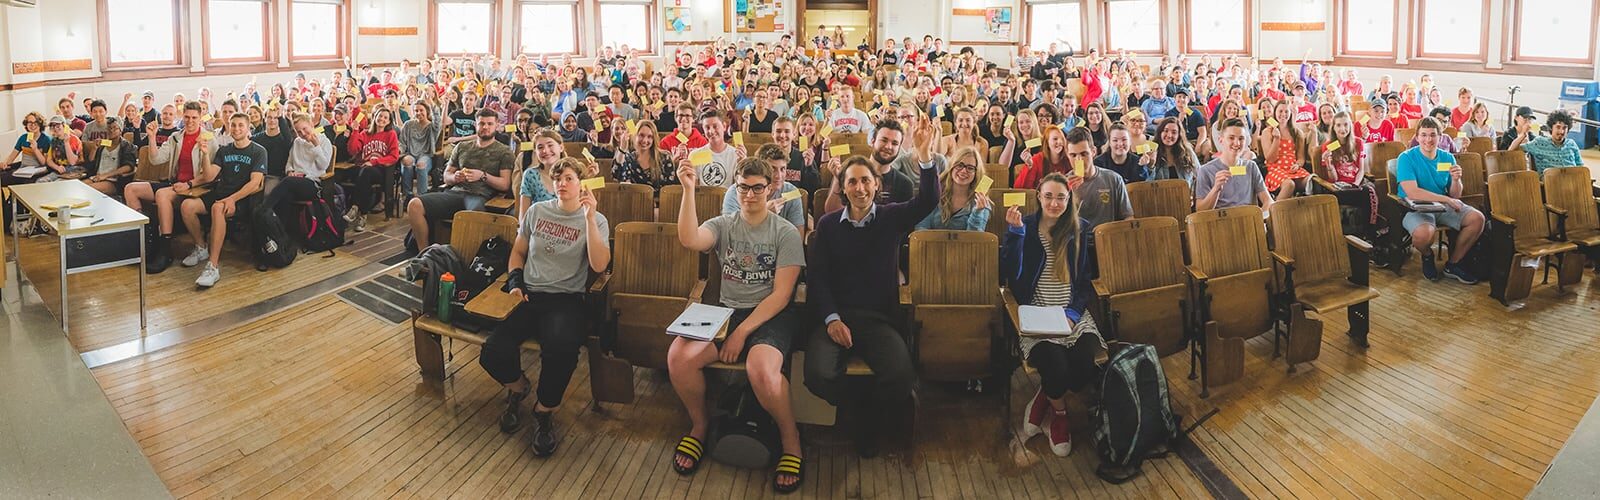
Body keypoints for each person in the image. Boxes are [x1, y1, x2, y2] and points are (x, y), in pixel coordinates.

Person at [668, 156, 807, 493]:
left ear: (770, 187)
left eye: (757, 188)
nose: (749, 195)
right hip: (728, 309)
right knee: (679, 357)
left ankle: (792, 443)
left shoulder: (785, 232)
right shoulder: (724, 223)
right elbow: (690, 239)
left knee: (762, 369)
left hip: (770, 314)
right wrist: (688, 190)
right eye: (743, 187)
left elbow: (782, 295)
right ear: (736, 186)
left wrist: (743, 331)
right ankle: (700, 426)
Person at [805, 116, 940, 458]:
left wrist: (925, 157)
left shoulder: (891, 218)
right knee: (817, 375)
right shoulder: (828, 225)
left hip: (878, 319)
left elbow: (927, 202)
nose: (860, 188)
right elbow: (818, 278)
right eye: (853, 182)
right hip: (837, 316)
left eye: (866, 181)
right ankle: (855, 407)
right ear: (843, 187)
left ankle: (865, 416)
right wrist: (832, 319)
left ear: (876, 186)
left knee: (900, 377)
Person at [483, 158, 610, 457]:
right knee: (493, 350)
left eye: (568, 178)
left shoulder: (596, 219)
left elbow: (599, 264)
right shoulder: (538, 211)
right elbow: (518, 250)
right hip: (531, 295)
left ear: (581, 184)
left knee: (561, 348)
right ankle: (518, 387)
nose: (562, 184)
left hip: (566, 298)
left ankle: (544, 410)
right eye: (558, 179)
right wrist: (515, 277)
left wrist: (590, 218)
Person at [1004, 172, 1104, 457]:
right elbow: (1013, 277)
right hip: (1038, 311)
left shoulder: (1079, 229)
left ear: (1068, 198)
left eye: (1061, 197)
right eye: (1048, 196)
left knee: (1083, 370)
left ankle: (1044, 396)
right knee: (1057, 368)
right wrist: (1015, 236)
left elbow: (1083, 281)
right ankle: (1059, 415)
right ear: (1039, 196)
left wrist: (1073, 313)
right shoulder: (1025, 226)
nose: (1054, 202)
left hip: (1070, 312)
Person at [176, 112, 267, 288]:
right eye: (233, 125)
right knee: (187, 206)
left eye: (241, 125)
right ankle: (201, 247)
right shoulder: (224, 150)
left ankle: (213, 267)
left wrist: (231, 199)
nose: (236, 128)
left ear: (248, 128)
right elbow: (209, 176)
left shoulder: (259, 151)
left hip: (241, 198)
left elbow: (255, 183)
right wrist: (204, 155)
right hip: (220, 193)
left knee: (218, 208)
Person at [406, 109, 514, 250]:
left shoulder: (504, 151)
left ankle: (465, 257)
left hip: (480, 196)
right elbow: (446, 175)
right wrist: (455, 177)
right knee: (414, 205)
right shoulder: (462, 147)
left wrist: (482, 175)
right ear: (476, 125)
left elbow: (505, 184)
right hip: (455, 193)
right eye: (481, 123)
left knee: (472, 217)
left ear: (496, 125)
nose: (485, 127)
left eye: (489, 124)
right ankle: (425, 253)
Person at [1395, 117, 1483, 284]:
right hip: (1416, 207)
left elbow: (1455, 195)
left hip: (1443, 205)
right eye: (1424, 135)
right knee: (1424, 234)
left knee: (1477, 219)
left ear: (1440, 137)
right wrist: (1446, 199)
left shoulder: (1447, 158)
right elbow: (1412, 192)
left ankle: (1453, 264)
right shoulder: (1406, 158)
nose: (1428, 140)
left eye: (1433, 135)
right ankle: (1427, 255)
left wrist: (1456, 180)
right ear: (1417, 137)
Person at [133, 103, 218, 274]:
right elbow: (156, 160)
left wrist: (189, 184)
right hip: (177, 184)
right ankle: (145, 241)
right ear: (182, 116)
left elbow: (211, 174)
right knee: (131, 189)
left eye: (194, 117)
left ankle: (165, 249)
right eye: (187, 117)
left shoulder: (208, 138)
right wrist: (151, 137)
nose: (190, 121)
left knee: (162, 195)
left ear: (200, 118)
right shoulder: (175, 137)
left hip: (198, 186)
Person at [258, 113, 335, 218]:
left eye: (304, 128)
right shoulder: (297, 142)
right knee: (285, 198)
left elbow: (323, 166)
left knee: (287, 182)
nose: (302, 133)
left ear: (311, 124)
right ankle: (280, 231)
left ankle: (263, 209)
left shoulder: (324, 141)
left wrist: (316, 146)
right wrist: (290, 171)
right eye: (299, 131)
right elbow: (290, 162)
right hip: (294, 181)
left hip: (313, 183)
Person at [719, 144, 806, 229]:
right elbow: (730, 232)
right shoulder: (735, 192)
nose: (778, 176)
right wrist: (762, 214)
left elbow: (798, 235)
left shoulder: (792, 191)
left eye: (782, 169)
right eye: (773, 169)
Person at [1195, 119, 1273, 211]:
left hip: (1248, 220)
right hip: (1221, 221)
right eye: (1231, 138)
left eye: (1241, 138)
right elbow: (1200, 210)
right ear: (1221, 140)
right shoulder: (1205, 171)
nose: (1237, 143)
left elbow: (1268, 201)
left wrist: (1260, 217)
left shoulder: (1251, 167)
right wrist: (1216, 189)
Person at [344, 108, 402, 232]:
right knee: (362, 174)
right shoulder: (365, 134)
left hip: (380, 170)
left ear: (389, 121)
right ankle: (362, 215)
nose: (382, 119)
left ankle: (355, 207)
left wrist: (374, 161)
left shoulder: (390, 134)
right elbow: (353, 150)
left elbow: (394, 156)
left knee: (366, 172)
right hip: (362, 169)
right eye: (380, 116)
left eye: (385, 117)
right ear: (375, 117)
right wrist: (355, 131)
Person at [1320, 111, 1377, 226]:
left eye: (1346, 125)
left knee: (1369, 191)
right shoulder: (1328, 146)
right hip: (1338, 188)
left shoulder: (1358, 142)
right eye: (1339, 125)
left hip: (1356, 185)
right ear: (1334, 128)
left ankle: (1370, 230)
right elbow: (1334, 179)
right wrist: (1329, 164)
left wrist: (1355, 185)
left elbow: (1361, 170)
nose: (1343, 129)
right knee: (1365, 195)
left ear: (1350, 126)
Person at [915, 145, 992, 231]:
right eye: (959, 165)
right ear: (951, 167)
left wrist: (977, 212)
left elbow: (974, 239)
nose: (963, 171)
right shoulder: (934, 192)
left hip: (965, 244)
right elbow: (920, 229)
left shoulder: (982, 203)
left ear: (976, 173)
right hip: (932, 243)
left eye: (970, 168)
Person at [686, 110, 744, 188]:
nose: (711, 131)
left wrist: (742, 164)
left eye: (715, 126)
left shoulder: (736, 154)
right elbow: (694, 189)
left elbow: (737, 188)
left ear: (724, 126)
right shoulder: (695, 155)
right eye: (707, 127)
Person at [399, 101, 441, 201]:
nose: (418, 113)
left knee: (421, 164)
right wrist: (400, 150)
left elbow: (437, 121)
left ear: (427, 111)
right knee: (406, 161)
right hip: (410, 153)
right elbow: (402, 142)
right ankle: (407, 195)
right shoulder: (408, 124)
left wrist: (432, 103)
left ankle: (422, 197)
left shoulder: (432, 127)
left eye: (421, 110)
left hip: (426, 155)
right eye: (416, 110)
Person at [83, 118, 137, 195]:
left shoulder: (126, 146)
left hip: (113, 181)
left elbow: (129, 166)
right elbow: (90, 163)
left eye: (115, 128)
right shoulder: (103, 144)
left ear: (120, 130)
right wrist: (94, 149)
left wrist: (105, 175)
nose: (111, 130)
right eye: (109, 128)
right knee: (78, 186)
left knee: (88, 190)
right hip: (97, 177)